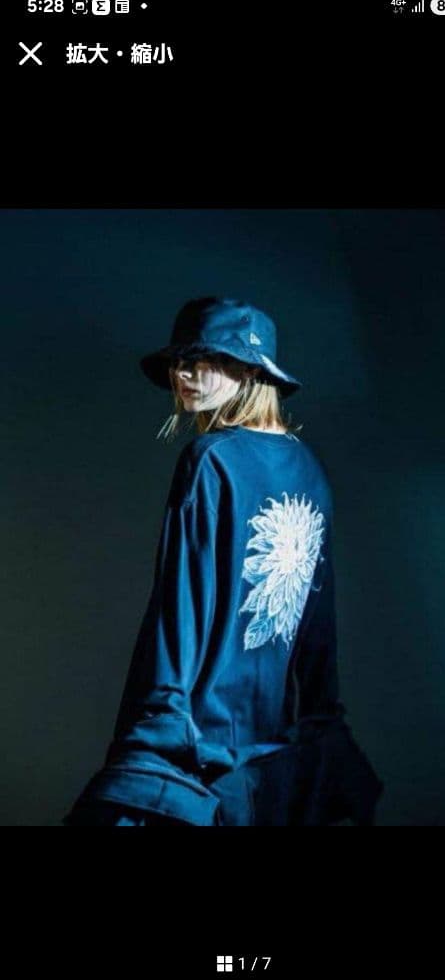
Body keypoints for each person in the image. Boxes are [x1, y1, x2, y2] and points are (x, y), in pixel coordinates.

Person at [63, 297, 383, 826]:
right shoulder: (310, 471)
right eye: (179, 361)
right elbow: (318, 623)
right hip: (265, 758)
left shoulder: (211, 459)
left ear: (249, 370)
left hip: (197, 746)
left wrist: (159, 722)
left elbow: (181, 601)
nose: (183, 373)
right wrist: (321, 718)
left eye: (203, 359)